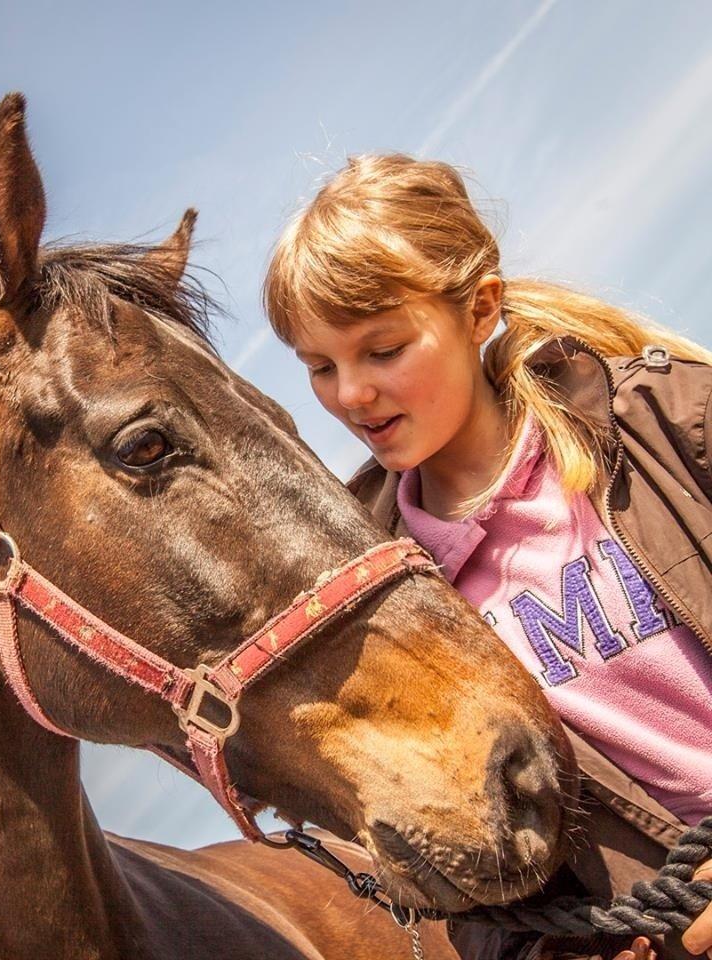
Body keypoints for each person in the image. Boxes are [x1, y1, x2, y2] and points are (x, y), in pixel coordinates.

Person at [262, 154, 712, 960]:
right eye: (320, 367)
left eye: (383, 349)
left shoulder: (664, 420)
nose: (351, 394)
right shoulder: (371, 604)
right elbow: (471, 884)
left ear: (479, 310)